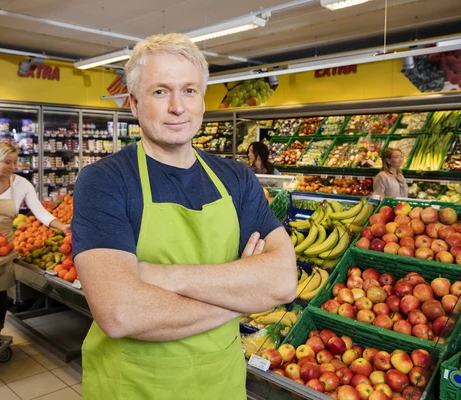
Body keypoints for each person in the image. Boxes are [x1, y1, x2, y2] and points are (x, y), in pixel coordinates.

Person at [72, 33, 297, 400]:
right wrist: (246, 294)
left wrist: (160, 276)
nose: (178, 106)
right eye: (160, 92)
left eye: (189, 90)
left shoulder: (236, 178)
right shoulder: (104, 181)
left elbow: (284, 282)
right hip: (134, 387)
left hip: (221, 385)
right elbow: (120, 313)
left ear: (203, 102)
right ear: (133, 103)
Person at [0, 142, 70, 328]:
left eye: (15, 163)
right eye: (8, 162)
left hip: (3, 246)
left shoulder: (22, 185)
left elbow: (39, 212)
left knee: (0, 293)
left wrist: (62, 226)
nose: (13, 167)